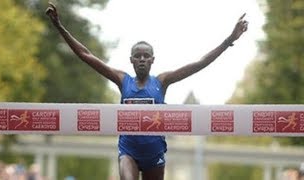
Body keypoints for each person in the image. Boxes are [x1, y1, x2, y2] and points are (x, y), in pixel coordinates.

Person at [46, 2, 248, 180]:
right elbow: (86, 55)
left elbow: (200, 63)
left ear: (153, 60)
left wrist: (229, 39)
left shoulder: (162, 81)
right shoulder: (122, 80)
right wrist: (59, 27)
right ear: (131, 60)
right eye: (138, 56)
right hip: (129, 152)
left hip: (155, 155)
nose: (142, 59)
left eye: (146, 56)